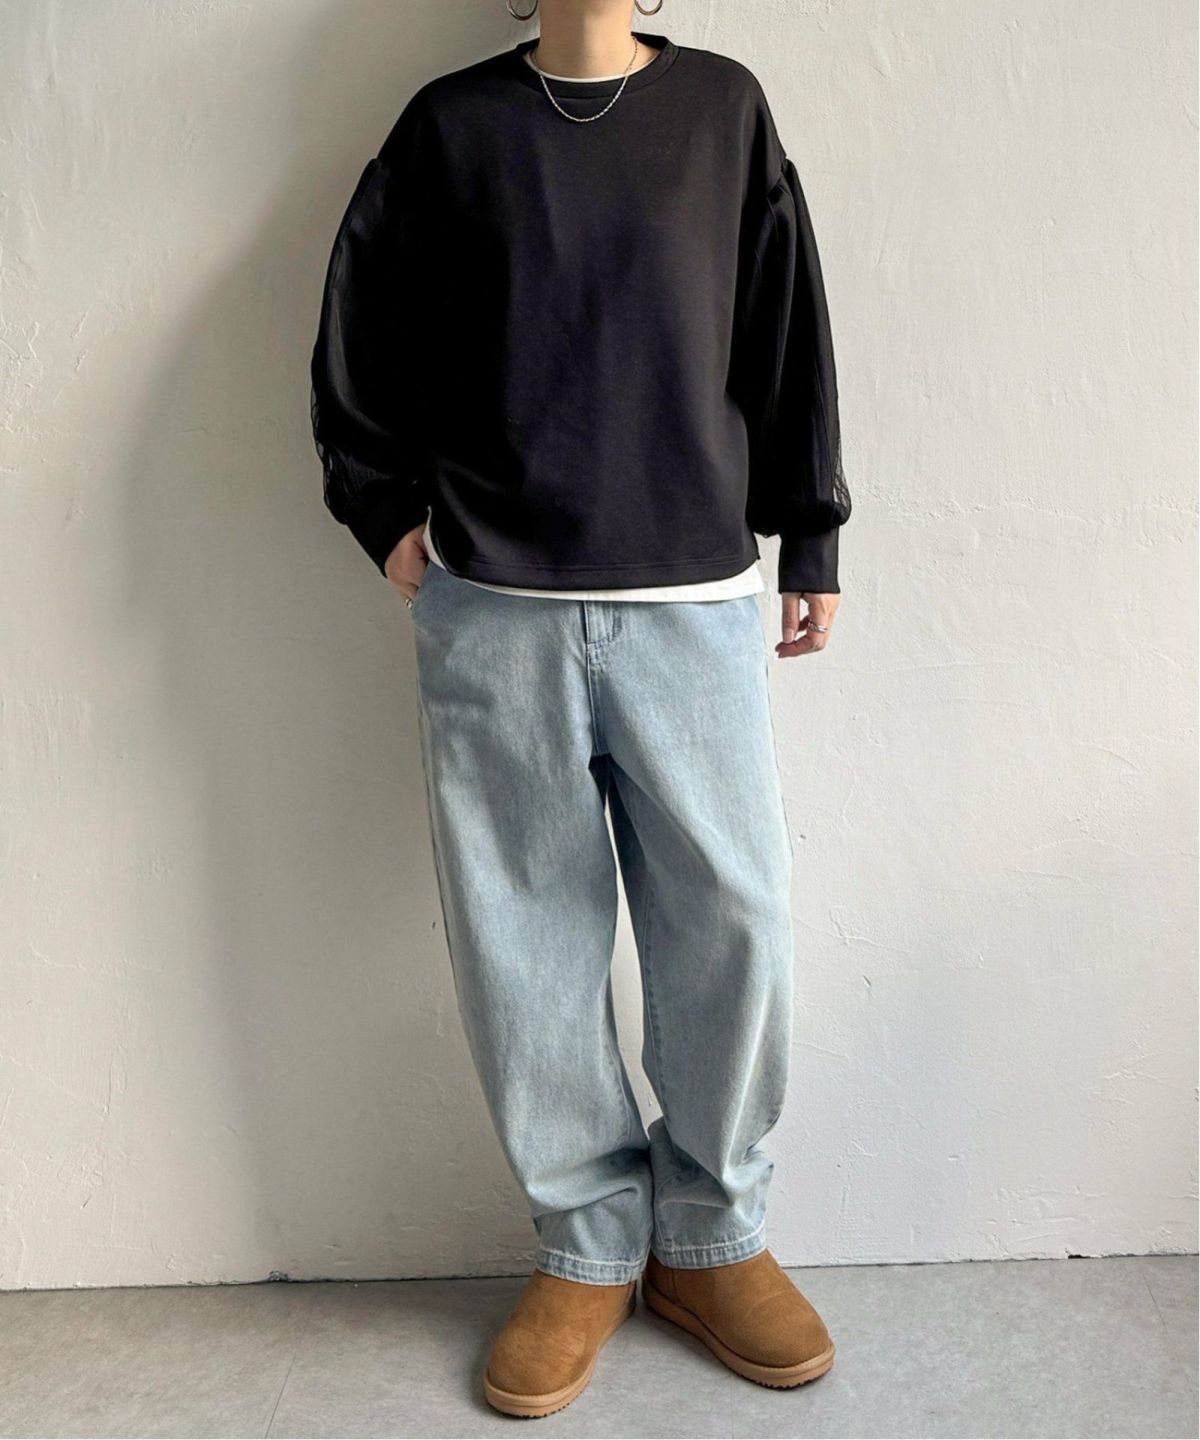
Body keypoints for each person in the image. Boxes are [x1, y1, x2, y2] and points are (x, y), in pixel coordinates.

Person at [310, 0, 851, 1418]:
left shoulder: (723, 112)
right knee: (525, 939)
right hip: (497, 606)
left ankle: (711, 1233)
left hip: (692, 599)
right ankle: (589, 1244)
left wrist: (811, 528)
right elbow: (362, 319)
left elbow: (784, 320)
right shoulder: (450, 129)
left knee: (733, 914)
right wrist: (380, 507)